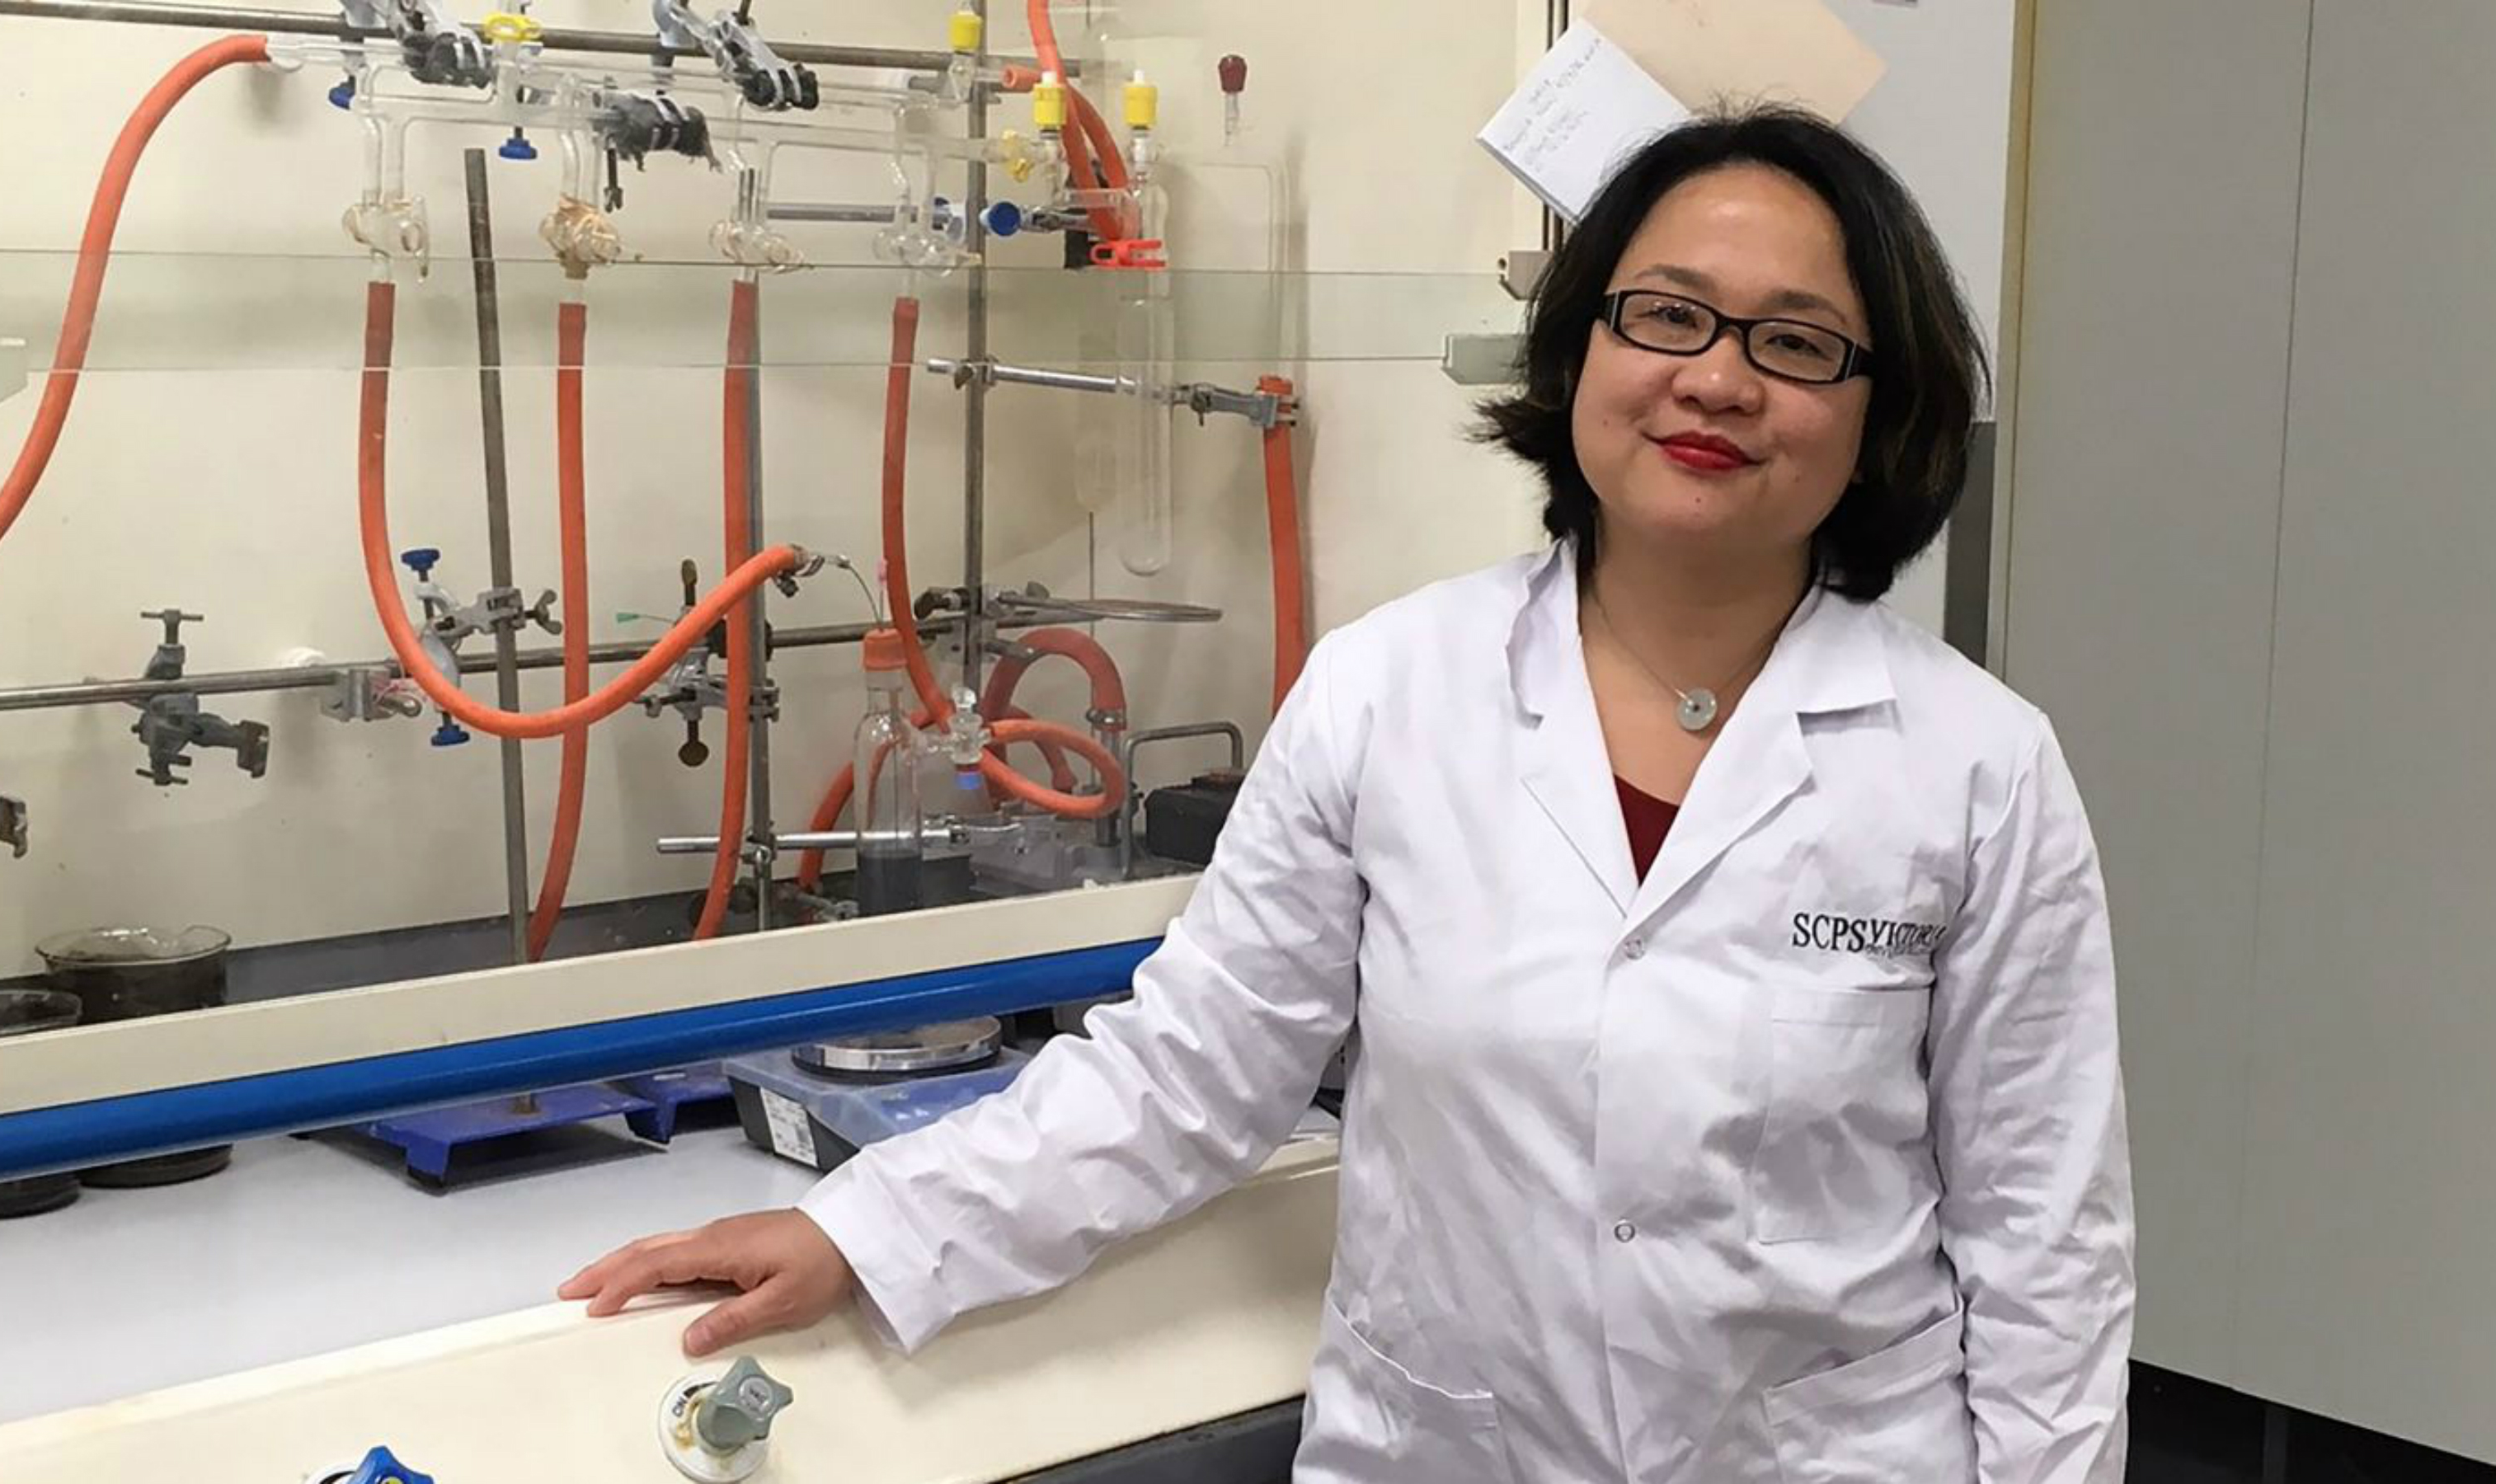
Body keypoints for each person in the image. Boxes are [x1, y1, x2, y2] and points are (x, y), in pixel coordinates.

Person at [561, 107, 2134, 1482]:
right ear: (1582, 346)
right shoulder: (1392, 691)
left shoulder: (1975, 765)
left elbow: (2044, 1244)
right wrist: (869, 1230)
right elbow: (1191, 1073)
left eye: (1796, 343)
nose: (1715, 382)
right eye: (1667, 316)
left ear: (1875, 414)